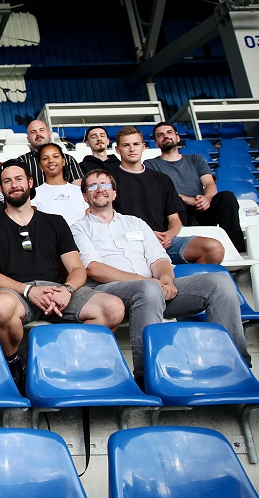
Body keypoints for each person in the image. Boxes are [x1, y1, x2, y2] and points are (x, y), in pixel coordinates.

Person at [72, 169, 250, 381]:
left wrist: (165, 279)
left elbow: (159, 257)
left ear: (114, 193)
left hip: (153, 288)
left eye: (105, 184)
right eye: (92, 186)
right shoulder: (78, 228)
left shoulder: (136, 223)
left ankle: (238, 364)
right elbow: (93, 268)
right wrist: (151, 282)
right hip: (111, 293)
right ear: (85, 196)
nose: (100, 189)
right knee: (148, 289)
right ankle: (147, 376)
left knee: (219, 282)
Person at [0, 161, 125, 386]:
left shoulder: (55, 222)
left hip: (55, 289)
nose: (14, 185)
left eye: (18, 179)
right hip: (15, 290)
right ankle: (13, 363)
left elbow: (76, 268)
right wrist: (29, 290)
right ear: (1, 188)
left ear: (30, 182)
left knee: (113, 308)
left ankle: (63, 358)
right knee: (0, 305)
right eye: (7, 181)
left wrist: (67, 289)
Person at [112, 126, 224, 264]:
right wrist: (145, 235)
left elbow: (175, 220)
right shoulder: (109, 181)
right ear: (117, 150)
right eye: (126, 145)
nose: (132, 149)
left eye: (136, 144)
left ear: (143, 147)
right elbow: (107, 222)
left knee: (214, 249)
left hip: (163, 243)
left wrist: (169, 235)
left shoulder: (162, 179)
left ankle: (184, 284)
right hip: (129, 243)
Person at [146, 121, 246, 253]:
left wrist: (207, 198)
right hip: (176, 211)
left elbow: (209, 183)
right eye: (160, 135)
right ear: (156, 142)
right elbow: (158, 193)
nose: (166, 136)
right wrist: (186, 199)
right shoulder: (150, 165)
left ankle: (237, 250)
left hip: (201, 208)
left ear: (178, 137)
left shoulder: (195, 159)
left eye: (169, 132)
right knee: (173, 202)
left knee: (226, 197)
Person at [32, 143, 88, 225]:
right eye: (45, 158)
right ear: (40, 166)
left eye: (55, 156)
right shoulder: (35, 194)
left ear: (63, 161)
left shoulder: (80, 191)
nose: (51, 161)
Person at [17, 120, 83, 186]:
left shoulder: (67, 159)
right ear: (28, 139)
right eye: (33, 132)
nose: (38, 134)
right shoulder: (21, 162)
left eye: (41, 130)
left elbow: (78, 187)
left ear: (49, 134)